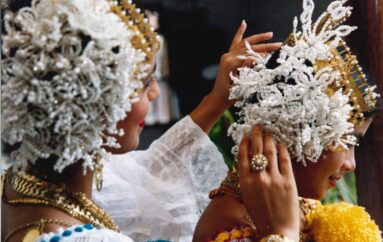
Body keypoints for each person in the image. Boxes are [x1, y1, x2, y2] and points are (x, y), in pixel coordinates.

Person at [1, 0, 282, 241]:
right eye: (147, 81)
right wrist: (281, 232)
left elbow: (147, 173)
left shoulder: (24, 182)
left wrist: (217, 100)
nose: (156, 91)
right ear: (102, 102)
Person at [193, 0, 383, 241]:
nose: (351, 163)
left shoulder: (296, 201)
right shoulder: (231, 225)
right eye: (346, 141)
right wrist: (281, 234)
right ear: (294, 131)